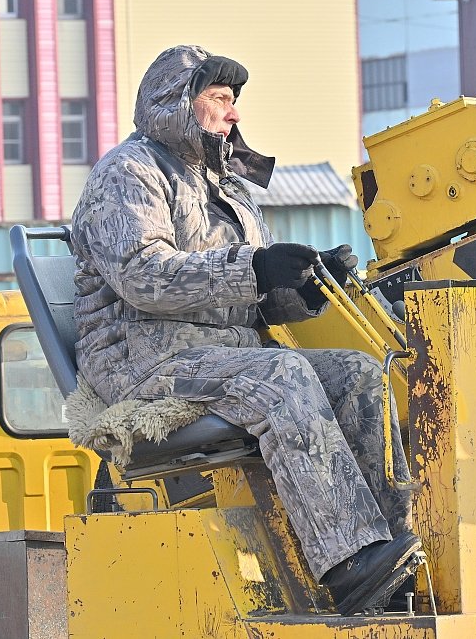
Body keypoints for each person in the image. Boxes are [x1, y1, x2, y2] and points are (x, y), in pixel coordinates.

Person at [70, 44, 421, 615]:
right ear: (176, 104)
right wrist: (254, 267)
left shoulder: (225, 184)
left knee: (358, 374)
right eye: (220, 98)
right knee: (279, 377)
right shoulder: (127, 174)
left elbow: (245, 300)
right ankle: (346, 562)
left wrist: (302, 285)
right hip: (144, 362)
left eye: (234, 101)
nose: (234, 114)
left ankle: (389, 553)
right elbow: (144, 278)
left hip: (217, 354)